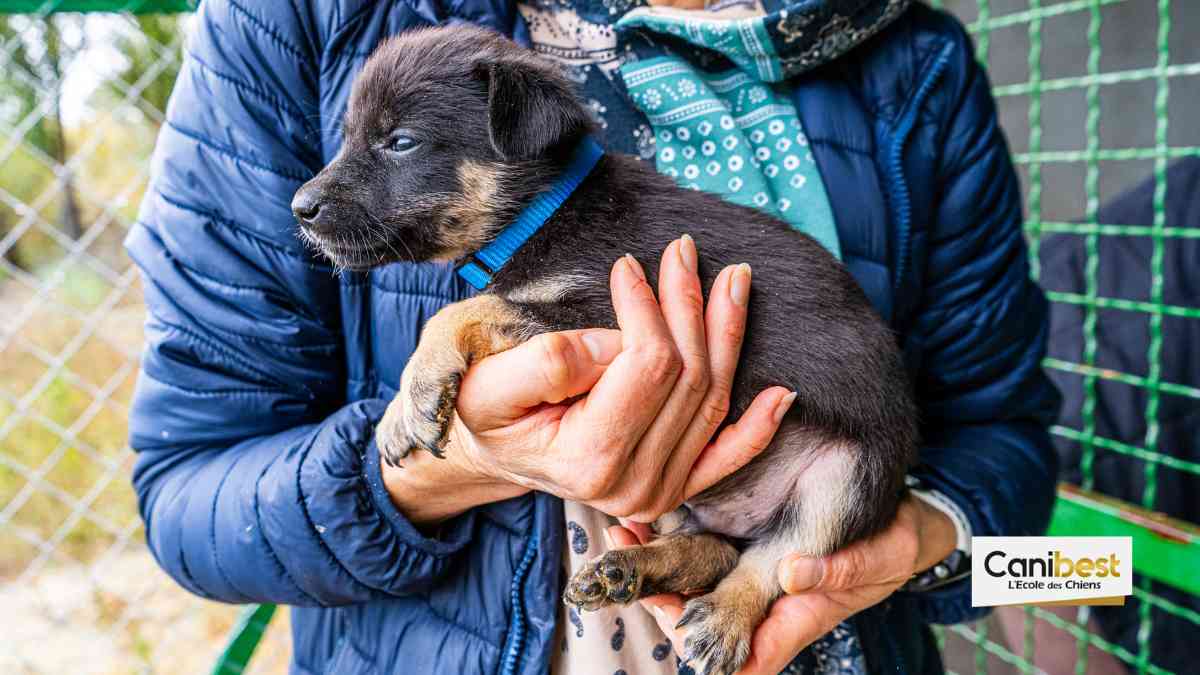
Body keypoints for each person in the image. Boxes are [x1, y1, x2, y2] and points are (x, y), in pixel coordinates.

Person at [124, 0, 1060, 672]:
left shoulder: (919, 60)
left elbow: (1013, 465)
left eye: (396, 148)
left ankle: (734, 578)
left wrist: (917, 552)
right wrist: (446, 464)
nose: (326, 189)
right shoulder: (304, 20)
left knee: (831, 496)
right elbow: (185, 497)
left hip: (828, 526)